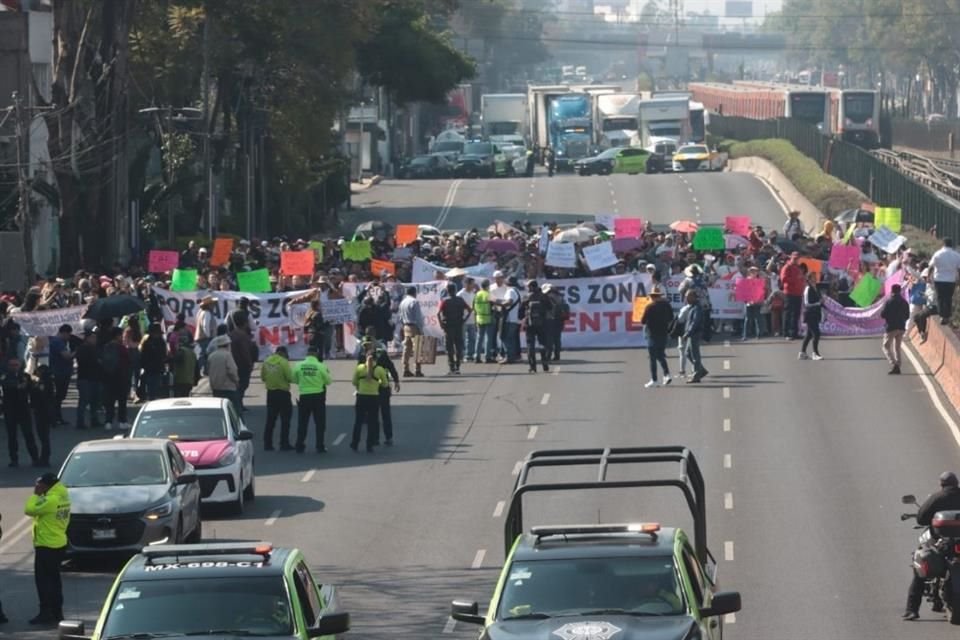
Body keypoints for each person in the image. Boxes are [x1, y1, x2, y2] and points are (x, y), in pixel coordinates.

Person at [904, 471, 960, 620]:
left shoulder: (937, 497)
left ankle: (912, 609)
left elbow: (921, 518)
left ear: (942, 484)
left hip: (941, 543)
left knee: (921, 568)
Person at [24, 472, 70, 625]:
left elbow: (29, 510)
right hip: (59, 542)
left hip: (47, 545)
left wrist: (36, 495)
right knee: (55, 580)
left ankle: (46, 613)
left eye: (39, 484)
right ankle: (57, 612)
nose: (37, 486)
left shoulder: (50, 500)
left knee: (43, 582)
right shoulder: (63, 496)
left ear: (47, 485)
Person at [3, 356, 40, 467]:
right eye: (12, 365)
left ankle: (35, 458)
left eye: (16, 365)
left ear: (20, 366)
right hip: (10, 409)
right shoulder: (5, 376)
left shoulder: (25, 376)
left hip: (23, 409)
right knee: (12, 436)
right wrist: (18, 386)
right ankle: (14, 459)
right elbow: (7, 385)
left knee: (28, 434)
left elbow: (31, 390)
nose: (14, 367)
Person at [294, 347, 332, 453]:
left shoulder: (298, 365)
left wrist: (303, 382)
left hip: (304, 396)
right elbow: (328, 381)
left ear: (307, 354)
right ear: (316, 354)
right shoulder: (321, 366)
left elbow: (294, 379)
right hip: (318, 397)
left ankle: (299, 445)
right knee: (320, 423)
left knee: (302, 423)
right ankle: (320, 446)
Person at [351, 354, 388, 453]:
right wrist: (377, 383)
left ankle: (355, 443)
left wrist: (361, 385)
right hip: (373, 398)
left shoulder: (360, 368)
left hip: (361, 397)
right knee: (372, 422)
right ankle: (369, 444)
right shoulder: (379, 370)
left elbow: (354, 382)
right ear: (376, 359)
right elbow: (385, 384)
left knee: (358, 421)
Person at [261, 346, 295, 451]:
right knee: (285, 420)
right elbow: (290, 378)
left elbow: (263, 377)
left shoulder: (266, 362)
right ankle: (284, 443)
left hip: (271, 394)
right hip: (283, 394)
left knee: (270, 419)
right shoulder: (283, 362)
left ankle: (267, 443)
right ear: (284, 353)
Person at [641, 287, 674, 388]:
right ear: (659, 296)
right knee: (660, 355)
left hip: (652, 334)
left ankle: (654, 379)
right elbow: (671, 318)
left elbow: (643, 321)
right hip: (663, 333)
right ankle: (666, 374)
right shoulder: (667, 305)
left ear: (652, 297)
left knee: (653, 358)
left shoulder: (649, 307)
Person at [100, 327, 130, 431]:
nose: (122, 337)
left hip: (108, 377)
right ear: (117, 336)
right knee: (122, 401)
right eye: (121, 335)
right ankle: (122, 421)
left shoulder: (106, 347)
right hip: (121, 377)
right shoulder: (121, 348)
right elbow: (128, 360)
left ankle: (108, 422)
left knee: (110, 401)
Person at [519, 280, 553, 373]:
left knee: (530, 346)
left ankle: (532, 367)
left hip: (529, 324)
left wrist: (523, 317)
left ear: (530, 287)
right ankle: (545, 364)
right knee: (543, 344)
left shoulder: (526, 297)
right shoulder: (543, 296)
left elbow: (520, 311)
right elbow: (550, 307)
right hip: (542, 324)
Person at [438, 282, 470, 374]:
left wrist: (441, 324)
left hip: (448, 326)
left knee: (449, 347)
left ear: (447, 290)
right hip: (458, 325)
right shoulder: (460, 300)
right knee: (458, 346)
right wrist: (464, 320)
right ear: (455, 290)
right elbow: (470, 310)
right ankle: (457, 366)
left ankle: (452, 367)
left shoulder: (445, 301)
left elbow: (438, 313)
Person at [47, 324, 75, 426]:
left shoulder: (61, 342)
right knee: (58, 397)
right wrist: (76, 352)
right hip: (59, 372)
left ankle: (57, 417)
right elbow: (66, 356)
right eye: (68, 334)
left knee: (59, 397)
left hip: (62, 372)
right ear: (64, 333)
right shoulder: (57, 342)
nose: (69, 337)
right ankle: (54, 418)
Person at [74, 328, 101, 430]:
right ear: (87, 338)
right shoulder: (82, 349)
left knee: (95, 400)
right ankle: (80, 422)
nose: (95, 340)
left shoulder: (95, 348)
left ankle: (94, 420)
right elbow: (83, 362)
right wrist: (96, 361)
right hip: (85, 378)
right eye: (93, 338)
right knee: (84, 401)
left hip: (94, 377)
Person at [881, 283, 910, 375]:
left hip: (891, 327)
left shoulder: (889, 301)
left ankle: (894, 364)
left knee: (886, 346)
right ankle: (898, 364)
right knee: (897, 347)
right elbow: (907, 315)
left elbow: (883, 314)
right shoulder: (904, 302)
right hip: (901, 326)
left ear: (892, 291)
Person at [229, 316, 257, 412]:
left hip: (232, 364)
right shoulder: (242, 335)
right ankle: (238, 404)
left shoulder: (231, 334)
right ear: (245, 323)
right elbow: (245, 351)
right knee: (243, 385)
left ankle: (238, 403)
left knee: (237, 385)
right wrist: (249, 363)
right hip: (242, 365)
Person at [29, 365, 54, 467]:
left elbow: (40, 397)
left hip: (42, 412)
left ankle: (45, 458)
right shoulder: (48, 382)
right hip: (44, 411)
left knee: (43, 436)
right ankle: (44, 457)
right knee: (44, 436)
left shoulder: (44, 383)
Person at [930, 238, 960, 324]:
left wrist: (929, 276)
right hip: (951, 280)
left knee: (940, 298)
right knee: (948, 298)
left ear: (943, 244)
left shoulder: (938, 253)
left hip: (939, 279)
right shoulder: (956, 255)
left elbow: (931, 266)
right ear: (951, 245)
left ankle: (942, 315)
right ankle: (947, 316)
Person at [681, 291, 709, 383]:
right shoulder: (692, 307)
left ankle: (697, 375)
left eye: (687, 297)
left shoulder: (697, 308)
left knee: (694, 355)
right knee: (688, 353)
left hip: (694, 333)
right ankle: (701, 370)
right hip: (692, 333)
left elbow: (695, 323)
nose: (686, 298)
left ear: (693, 297)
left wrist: (688, 333)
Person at [206, 334, 239, 407]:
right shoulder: (227, 355)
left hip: (216, 387)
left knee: (219, 407)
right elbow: (232, 371)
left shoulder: (211, 356)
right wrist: (236, 381)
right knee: (234, 408)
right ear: (227, 345)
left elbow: (208, 370)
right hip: (228, 387)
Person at [398, 286, 424, 378]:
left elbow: (400, 317)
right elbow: (418, 318)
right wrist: (421, 329)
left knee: (406, 349)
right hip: (414, 326)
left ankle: (405, 369)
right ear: (414, 292)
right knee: (417, 349)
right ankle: (417, 370)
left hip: (406, 326)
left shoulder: (403, 302)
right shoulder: (414, 302)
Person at [139, 323, 168, 401]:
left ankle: (154, 398)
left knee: (157, 386)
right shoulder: (147, 342)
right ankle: (151, 398)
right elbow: (143, 355)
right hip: (149, 368)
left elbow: (164, 355)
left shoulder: (161, 342)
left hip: (158, 368)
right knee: (150, 387)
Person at [799, 270, 824, 361]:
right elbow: (807, 303)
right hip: (810, 314)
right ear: (809, 279)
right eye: (813, 277)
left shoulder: (816, 288)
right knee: (816, 333)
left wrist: (822, 303)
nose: (815, 278)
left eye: (815, 276)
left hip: (815, 313)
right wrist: (818, 303)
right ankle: (815, 353)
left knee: (809, 334)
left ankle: (802, 352)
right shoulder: (808, 289)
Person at [780, 252, 805, 339]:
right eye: (795, 258)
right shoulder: (787, 267)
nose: (796, 260)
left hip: (798, 293)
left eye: (797, 258)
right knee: (788, 313)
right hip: (789, 293)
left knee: (796, 314)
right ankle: (786, 333)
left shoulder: (797, 268)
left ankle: (794, 332)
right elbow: (783, 279)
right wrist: (796, 279)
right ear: (791, 258)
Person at [543, 284, 569, 362]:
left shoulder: (547, 297)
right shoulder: (560, 297)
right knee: (557, 338)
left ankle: (548, 356)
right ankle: (557, 355)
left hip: (550, 319)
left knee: (549, 339)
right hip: (560, 320)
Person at [193, 295, 218, 373]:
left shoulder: (200, 312)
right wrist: (209, 336)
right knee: (203, 355)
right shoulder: (207, 313)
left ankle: (204, 371)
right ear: (209, 305)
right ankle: (197, 371)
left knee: (203, 355)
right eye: (212, 304)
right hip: (205, 338)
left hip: (201, 338)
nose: (214, 305)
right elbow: (205, 326)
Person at [474, 279, 496, 364]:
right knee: (488, 338)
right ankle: (488, 357)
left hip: (479, 317)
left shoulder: (477, 294)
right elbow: (495, 303)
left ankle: (477, 356)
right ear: (487, 286)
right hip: (488, 317)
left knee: (479, 338)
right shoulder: (488, 294)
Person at [171, 333, 198, 398]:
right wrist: (195, 380)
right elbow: (197, 369)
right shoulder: (192, 353)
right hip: (189, 381)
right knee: (186, 397)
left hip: (180, 380)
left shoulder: (181, 351)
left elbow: (176, 360)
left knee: (178, 399)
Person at [458, 278, 478, 362]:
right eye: (472, 284)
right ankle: (461, 356)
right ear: (466, 284)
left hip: (472, 320)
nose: (474, 285)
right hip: (463, 320)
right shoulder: (460, 294)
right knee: (462, 338)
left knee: (472, 338)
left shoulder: (473, 294)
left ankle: (470, 355)